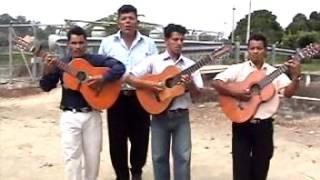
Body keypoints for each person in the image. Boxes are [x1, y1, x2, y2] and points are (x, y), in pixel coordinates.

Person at [39, 26, 126, 180]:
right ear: (68, 44)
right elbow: (46, 86)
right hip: (69, 115)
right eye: (74, 43)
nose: (77, 46)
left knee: (93, 158)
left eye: (81, 43)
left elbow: (120, 67)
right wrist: (47, 69)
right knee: (72, 159)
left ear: (86, 43)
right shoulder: (61, 63)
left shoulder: (95, 60)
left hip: (92, 114)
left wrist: (102, 78)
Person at [212, 34, 301, 180]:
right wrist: (236, 93)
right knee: (240, 169)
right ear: (248, 50)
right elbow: (216, 83)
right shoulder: (238, 69)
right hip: (241, 124)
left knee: (261, 169)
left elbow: (288, 93)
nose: (255, 51)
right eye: (252, 48)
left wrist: (296, 77)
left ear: (265, 50)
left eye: (259, 48)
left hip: (264, 127)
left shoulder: (274, 73)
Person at [126, 23, 204, 180]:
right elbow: (129, 77)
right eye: (175, 39)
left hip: (181, 116)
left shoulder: (190, 65)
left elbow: (197, 96)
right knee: (159, 158)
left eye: (182, 40)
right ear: (166, 41)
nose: (179, 43)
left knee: (183, 158)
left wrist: (190, 85)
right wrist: (151, 85)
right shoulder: (154, 61)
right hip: (159, 115)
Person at [98, 4, 158, 180]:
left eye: (131, 18)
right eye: (124, 19)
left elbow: (155, 71)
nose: (127, 22)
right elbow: (101, 69)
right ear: (118, 22)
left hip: (141, 97)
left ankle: (137, 171)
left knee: (140, 138)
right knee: (117, 140)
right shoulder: (107, 43)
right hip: (116, 97)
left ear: (137, 21)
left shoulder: (149, 44)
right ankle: (121, 175)